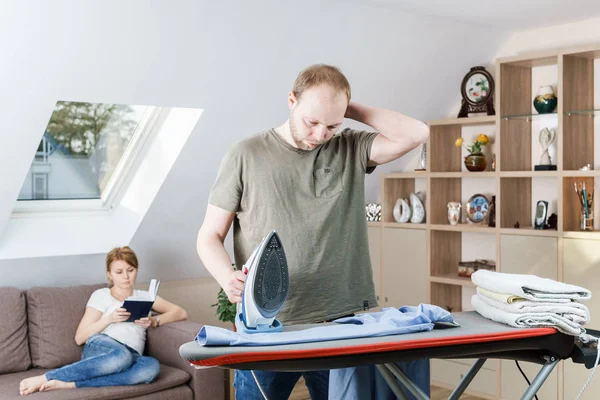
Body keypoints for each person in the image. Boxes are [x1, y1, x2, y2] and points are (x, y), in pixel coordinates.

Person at [197, 64, 429, 399]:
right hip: (266, 325)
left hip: (340, 323)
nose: (321, 134)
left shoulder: (350, 147)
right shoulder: (245, 155)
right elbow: (208, 237)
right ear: (291, 101)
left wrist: (344, 106)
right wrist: (226, 277)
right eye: (312, 121)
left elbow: (417, 133)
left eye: (332, 124)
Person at [19, 246, 188, 396]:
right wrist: (109, 319)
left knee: (151, 368)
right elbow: (80, 337)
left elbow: (180, 312)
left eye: (130, 270)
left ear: (137, 270)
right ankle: (47, 377)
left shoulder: (145, 297)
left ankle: (71, 384)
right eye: (119, 272)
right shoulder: (101, 295)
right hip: (102, 345)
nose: (126, 277)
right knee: (121, 356)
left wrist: (154, 321)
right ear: (110, 274)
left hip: (133, 353)